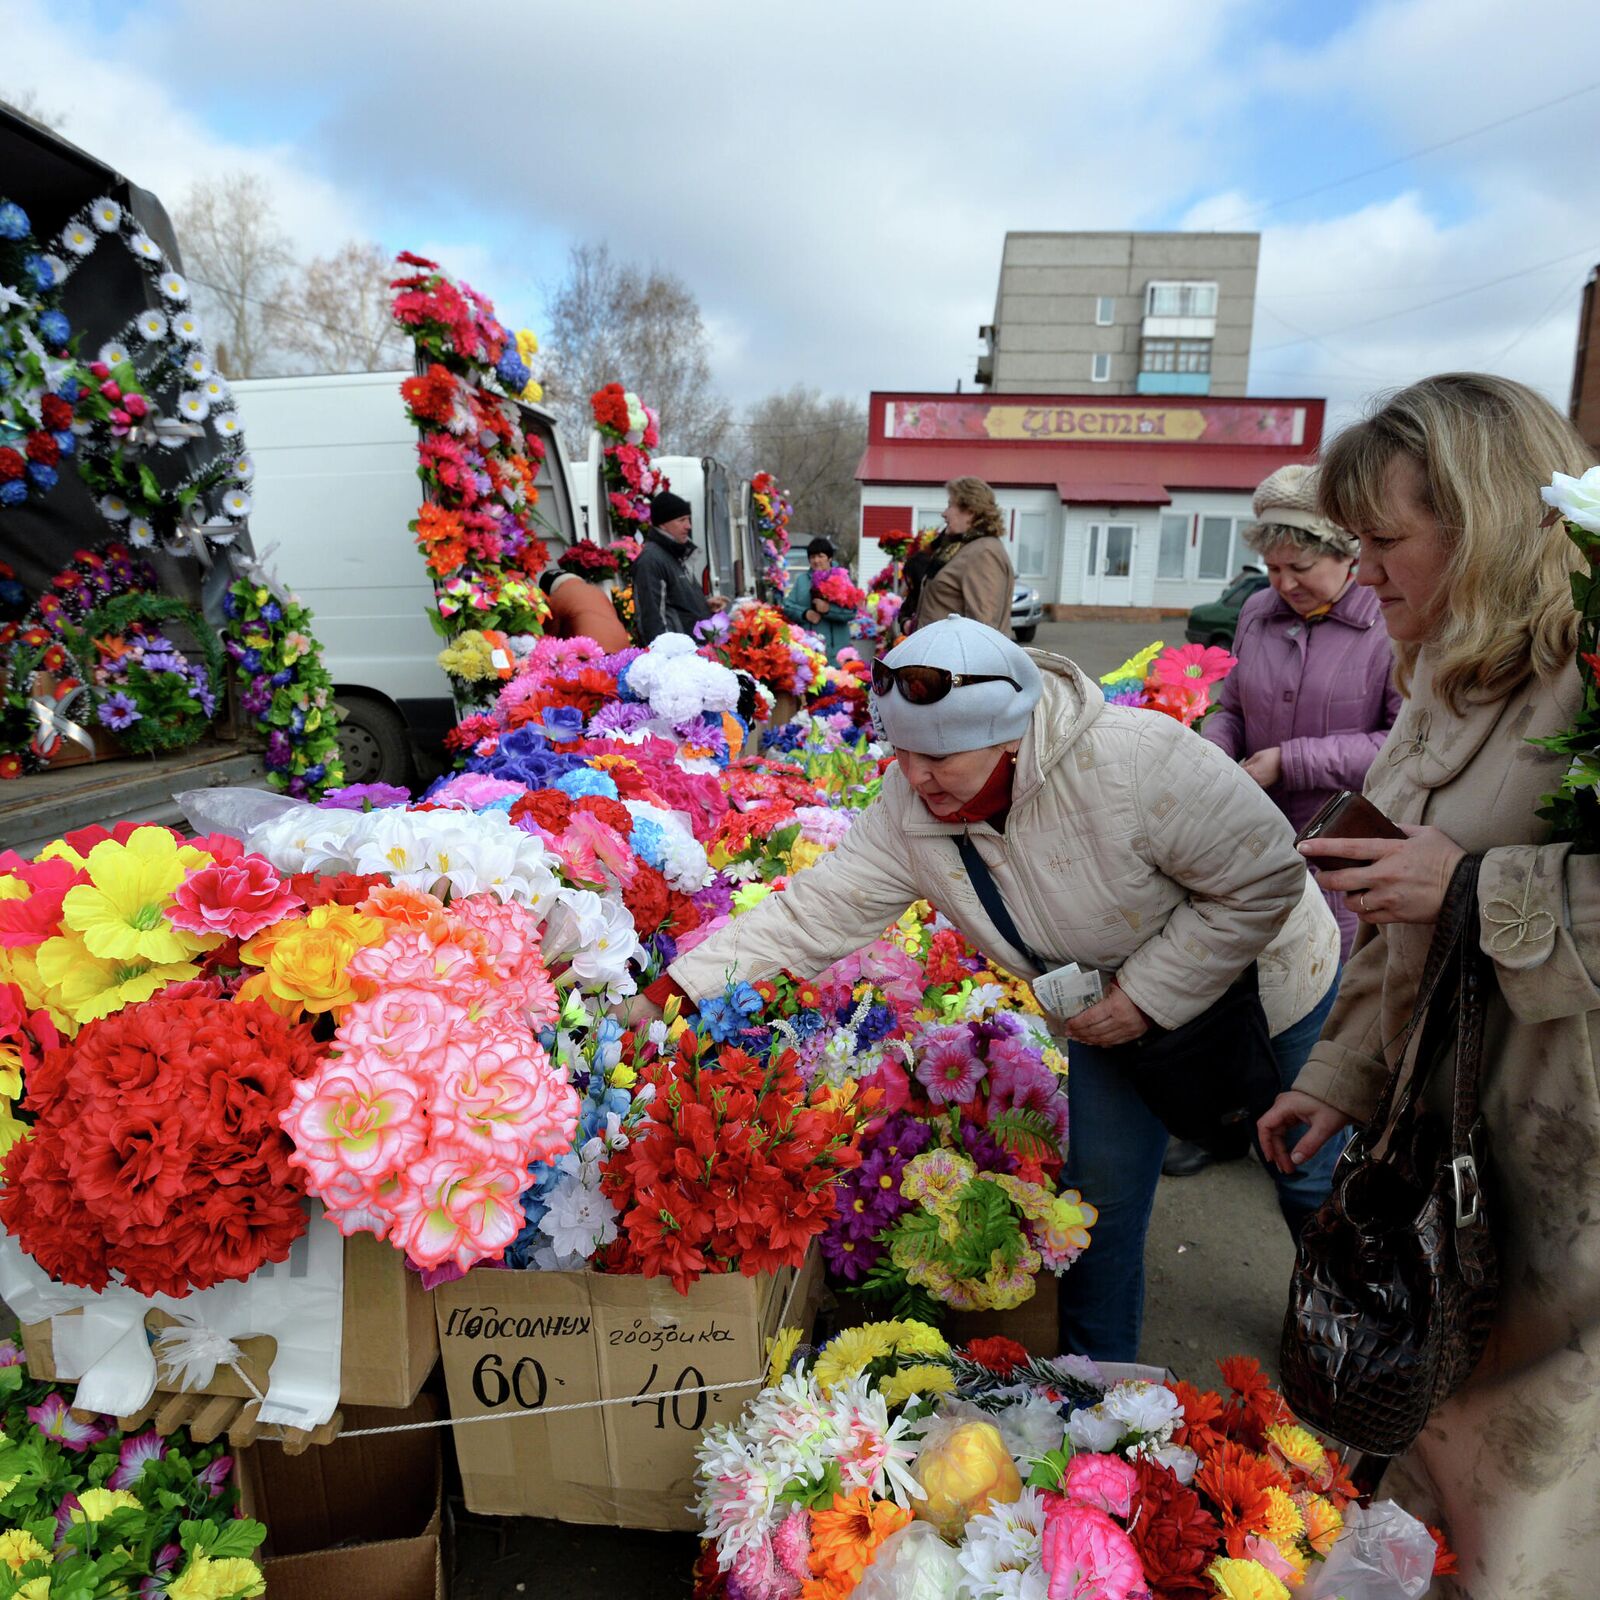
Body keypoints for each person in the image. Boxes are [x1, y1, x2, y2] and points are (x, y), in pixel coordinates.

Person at [628, 615, 1340, 1362]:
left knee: (1302, 1167)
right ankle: (1099, 1389)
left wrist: (1144, 999)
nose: (916, 776)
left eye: (940, 756)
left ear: (1011, 735)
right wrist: (672, 991)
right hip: (1106, 1011)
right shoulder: (911, 811)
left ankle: (1347, 1344)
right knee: (1099, 1203)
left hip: (1265, 986)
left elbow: (1264, 879)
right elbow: (817, 912)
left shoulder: (1135, 758)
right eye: (902, 752)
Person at [1257, 373, 1600, 1597]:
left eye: (1385, 541)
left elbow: (1445, 885)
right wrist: (1341, 1074)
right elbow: (1384, 887)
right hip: (1449, 1164)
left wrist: (1479, 890)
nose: (1360, 573)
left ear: (1488, 521)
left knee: (1525, 1514)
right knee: (1436, 1479)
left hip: (1571, 1192)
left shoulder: (1589, 673)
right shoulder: (1448, 670)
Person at [1162, 465, 1401, 1183]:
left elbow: (1399, 741)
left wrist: (1286, 761)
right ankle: (1226, 1122)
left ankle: (1308, 1155)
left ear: (1347, 551)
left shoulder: (1389, 621)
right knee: (1239, 985)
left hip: (1341, 845)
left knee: (1320, 993)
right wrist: (1213, 752)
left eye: (1300, 566)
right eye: (1271, 567)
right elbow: (1231, 703)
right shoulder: (1259, 612)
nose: (1283, 583)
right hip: (1250, 838)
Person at [901, 477, 1014, 635]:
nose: (944, 514)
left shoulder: (984, 553)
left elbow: (983, 629)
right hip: (940, 655)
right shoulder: (960, 548)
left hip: (953, 659)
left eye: (950, 506)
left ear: (970, 511)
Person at [632, 491, 726, 644]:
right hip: (678, 657)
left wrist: (704, 605)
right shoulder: (651, 560)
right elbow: (652, 618)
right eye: (681, 520)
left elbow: (677, 603)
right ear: (663, 523)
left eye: (688, 519)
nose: (688, 526)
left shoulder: (675, 552)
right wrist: (668, 657)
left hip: (693, 651)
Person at [781, 537, 854, 662]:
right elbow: (787, 606)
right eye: (812, 557)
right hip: (809, 652)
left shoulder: (842, 579)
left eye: (821, 556)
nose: (816, 561)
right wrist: (805, 613)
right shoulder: (802, 580)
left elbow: (851, 612)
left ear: (829, 558)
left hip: (838, 653)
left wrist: (828, 610)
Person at [539, 568, 631, 653]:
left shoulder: (556, 597)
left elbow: (549, 639)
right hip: (624, 650)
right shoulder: (597, 591)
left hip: (593, 655)